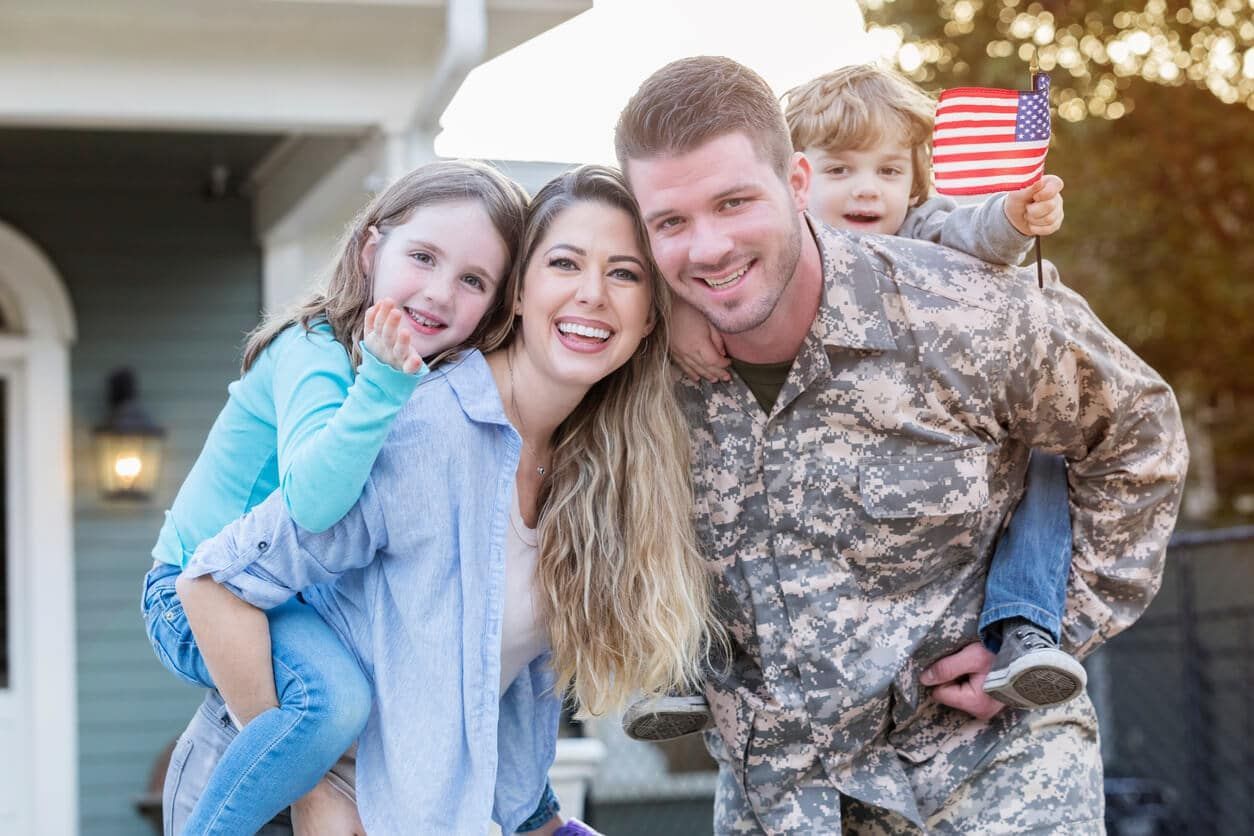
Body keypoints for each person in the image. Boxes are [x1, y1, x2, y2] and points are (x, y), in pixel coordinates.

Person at [615, 56, 1188, 833]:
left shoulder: (962, 309)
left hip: (991, 776)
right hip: (781, 798)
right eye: (672, 222)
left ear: (797, 184)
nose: (708, 247)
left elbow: (1138, 434)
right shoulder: (629, 359)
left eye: (734, 202)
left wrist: (1054, 630)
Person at [168, 165, 719, 834]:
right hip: (269, 807)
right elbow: (209, 580)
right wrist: (313, 785)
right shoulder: (426, 431)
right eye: (566, 263)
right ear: (518, 294)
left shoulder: (594, 465)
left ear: (651, 313)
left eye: (625, 274)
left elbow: (494, 677)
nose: (593, 295)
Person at [625, 63, 1082, 742]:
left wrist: (1016, 218)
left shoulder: (927, 241)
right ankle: (678, 659)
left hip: (958, 670)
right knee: (664, 467)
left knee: (1048, 461)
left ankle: (1024, 626)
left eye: (889, 171)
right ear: (798, 180)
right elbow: (659, 238)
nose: (867, 189)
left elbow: (977, 232)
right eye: (842, 170)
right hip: (793, 696)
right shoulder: (743, 273)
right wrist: (677, 312)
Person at [139, 159, 544, 833]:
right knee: (332, 702)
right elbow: (314, 501)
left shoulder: (437, 391)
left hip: (289, 606)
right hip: (197, 591)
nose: (440, 292)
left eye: (473, 280)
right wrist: (380, 386)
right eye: (423, 256)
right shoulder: (313, 348)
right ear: (371, 249)